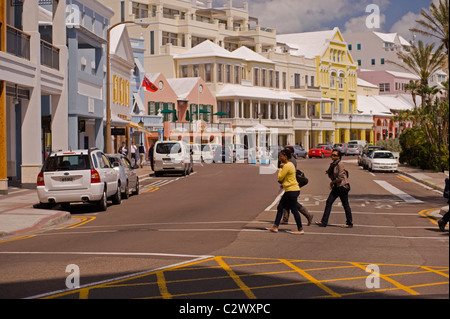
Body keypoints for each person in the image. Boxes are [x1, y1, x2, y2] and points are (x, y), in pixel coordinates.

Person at [266, 149, 304, 235]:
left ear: (285, 156)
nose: (280, 158)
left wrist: (280, 167)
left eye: (281, 156)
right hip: (290, 190)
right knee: (280, 207)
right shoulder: (290, 164)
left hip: (292, 190)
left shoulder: (287, 166)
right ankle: (275, 227)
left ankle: (300, 229)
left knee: (294, 209)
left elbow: (280, 178)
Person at [316, 149, 353, 228]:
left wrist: (332, 183)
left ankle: (349, 222)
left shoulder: (340, 164)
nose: (332, 156)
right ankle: (324, 222)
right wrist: (333, 183)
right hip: (336, 187)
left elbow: (340, 177)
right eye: (332, 155)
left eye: (335, 155)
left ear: (339, 157)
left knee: (345, 204)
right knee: (329, 202)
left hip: (342, 186)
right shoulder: (333, 164)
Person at [281, 146, 313, 225]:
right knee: (287, 201)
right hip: (290, 184)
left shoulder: (290, 161)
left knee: (291, 202)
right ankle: (285, 219)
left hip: (292, 184)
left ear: (291, 153)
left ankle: (308, 215)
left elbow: (286, 173)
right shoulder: (289, 161)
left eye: (287, 152)